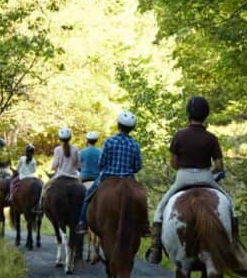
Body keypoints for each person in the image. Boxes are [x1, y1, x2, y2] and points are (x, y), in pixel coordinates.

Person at [146, 96, 233, 264]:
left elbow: (173, 163)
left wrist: (185, 169)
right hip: (206, 177)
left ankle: (156, 248)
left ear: (188, 113)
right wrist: (211, 172)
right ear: (206, 114)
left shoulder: (179, 135)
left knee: (159, 210)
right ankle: (234, 245)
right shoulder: (211, 138)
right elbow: (219, 165)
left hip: (183, 178)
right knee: (231, 206)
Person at [77, 111, 142, 233]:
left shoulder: (109, 141)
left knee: (88, 196)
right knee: (142, 197)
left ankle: (82, 223)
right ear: (132, 129)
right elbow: (138, 166)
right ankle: (145, 226)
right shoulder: (135, 144)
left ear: (118, 125)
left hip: (107, 177)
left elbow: (101, 163)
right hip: (128, 179)